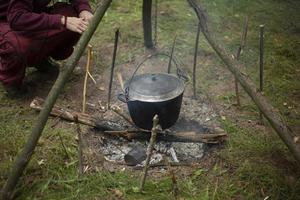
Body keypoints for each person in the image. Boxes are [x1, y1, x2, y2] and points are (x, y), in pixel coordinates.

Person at [0, 0, 93, 97]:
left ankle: (39, 58)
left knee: (72, 15)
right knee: (17, 45)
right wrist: (61, 21)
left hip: (30, 13)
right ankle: (12, 82)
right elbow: (17, 17)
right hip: (5, 20)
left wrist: (84, 9)